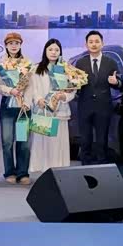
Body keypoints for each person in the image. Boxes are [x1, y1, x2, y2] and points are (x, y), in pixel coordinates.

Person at [25, 39, 76, 173]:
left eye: (56, 50)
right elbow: (33, 88)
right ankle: (43, 170)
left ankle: (58, 171)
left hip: (60, 112)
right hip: (43, 112)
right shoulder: (36, 69)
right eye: (50, 49)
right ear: (45, 51)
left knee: (58, 143)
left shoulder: (66, 69)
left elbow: (72, 89)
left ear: (60, 52)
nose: (53, 52)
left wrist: (64, 96)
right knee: (43, 142)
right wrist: (38, 100)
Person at [74, 30, 122, 165]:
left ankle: (102, 166)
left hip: (103, 107)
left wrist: (116, 82)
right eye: (90, 42)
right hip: (85, 106)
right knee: (85, 140)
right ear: (86, 45)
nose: (94, 44)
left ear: (102, 44)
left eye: (97, 41)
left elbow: (120, 82)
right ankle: (85, 166)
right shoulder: (80, 63)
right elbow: (77, 85)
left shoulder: (111, 62)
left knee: (102, 140)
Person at [0, 32, 32, 185]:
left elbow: (31, 85)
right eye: (11, 43)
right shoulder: (0, 64)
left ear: (20, 45)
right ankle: (9, 172)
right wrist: (10, 90)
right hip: (7, 106)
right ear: (6, 45)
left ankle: (22, 173)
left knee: (23, 141)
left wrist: (26, 101)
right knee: (7, 141)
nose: (14, 46)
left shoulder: (28, 63)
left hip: (23, 106)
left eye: (17, 43)